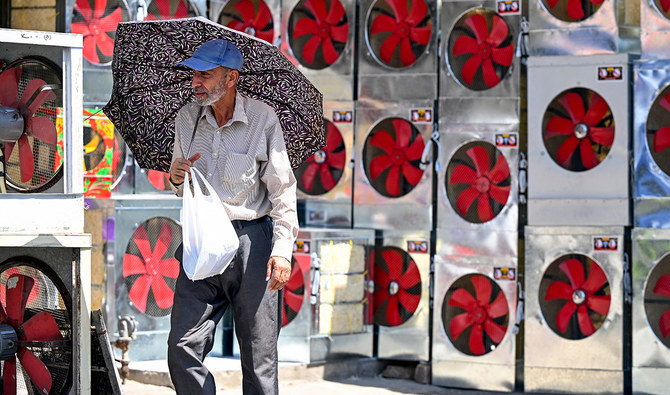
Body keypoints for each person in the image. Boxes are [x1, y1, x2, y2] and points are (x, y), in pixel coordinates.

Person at [167, 38, 298, 395]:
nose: (196, 82)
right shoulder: (186, 119)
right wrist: (176, 176)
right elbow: (181, 187)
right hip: (201, 242)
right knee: (181, 347)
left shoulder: (263, 120)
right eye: (193, 74)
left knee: (259, 358)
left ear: (230, 78)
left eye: (205, 74)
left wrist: (282, 250)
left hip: (251, 246)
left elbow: (283, 191)